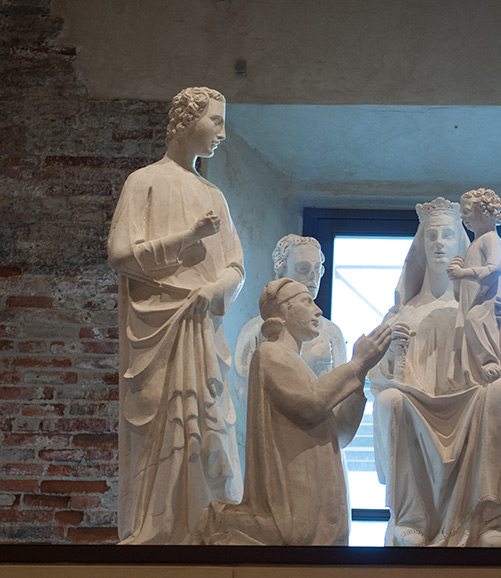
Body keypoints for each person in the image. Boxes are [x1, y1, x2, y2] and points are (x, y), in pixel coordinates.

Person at [108, 87, 244, 544]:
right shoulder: (143, 182)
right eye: (216, 122)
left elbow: (235, 265)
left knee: (209, 430)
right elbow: (121, 254)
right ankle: (155, 534)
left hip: (203, 327)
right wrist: (188, 236)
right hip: (157, 327)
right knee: (160, 430)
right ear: (187, 121)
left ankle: (206, 533)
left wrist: (215, 289)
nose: (222, 134)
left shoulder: (214, 195)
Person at [369, 197, 501, 548]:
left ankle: (491, 517)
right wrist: (393, 353)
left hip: (469, 402)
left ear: (461, 243)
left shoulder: (477, 305)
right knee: (388, 401)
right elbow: (379, 377)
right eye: (431, 236)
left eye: (447, 235)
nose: (439, 244)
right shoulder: (402, 312)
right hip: (418, 406)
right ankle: (412, 516)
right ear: (421, 245)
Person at [196, 279, 390, 545]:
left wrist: (362, 375)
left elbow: (341, 434)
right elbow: (311, 402)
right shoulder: (270, 353)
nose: (318, 311)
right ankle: (219, 521)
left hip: (318, 507)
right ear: (285, 311)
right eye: (307, 302)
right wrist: (356, 364)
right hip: (294, 505)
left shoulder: (298, 365)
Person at [233, 236, 346, 452]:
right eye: (303, 269)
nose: (313, 277)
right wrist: (309, 361)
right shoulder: (255, 331)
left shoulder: (332, 333)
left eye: (318, 269)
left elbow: (339, 401)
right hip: (276, 445)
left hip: (322, 444)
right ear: (281, 271)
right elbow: (248, 400)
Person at [448, 188, 501, 383]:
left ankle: (489, 361)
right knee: (468, 324)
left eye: (467, 211)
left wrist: (463, 273)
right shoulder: (476, 243)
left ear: (484, 213)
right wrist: (457, 278)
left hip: (487, 302)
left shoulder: (490, 238)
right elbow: (462, 295)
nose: (463, 217)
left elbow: (495, 267)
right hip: (473, 301)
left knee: (474, 319)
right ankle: (477, 369)